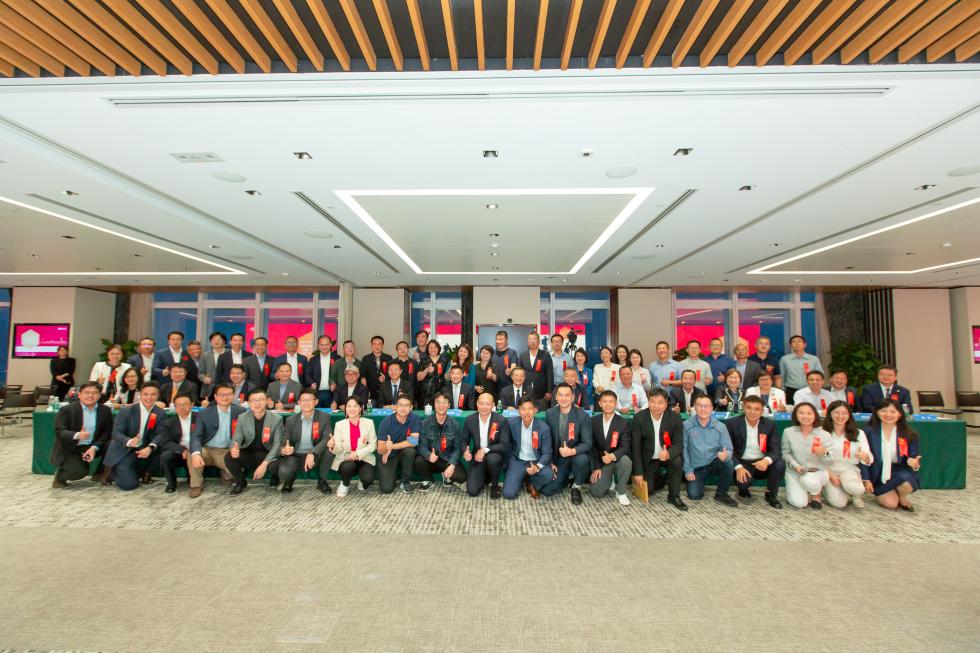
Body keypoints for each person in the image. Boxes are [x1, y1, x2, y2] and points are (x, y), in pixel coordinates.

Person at [101, 382, 168, 491]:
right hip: (125, 449)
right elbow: (116, 433)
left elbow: (161, 434)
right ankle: (111, 471)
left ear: (158, 396)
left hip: (145, 448)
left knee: (164, 446)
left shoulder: (160, 413)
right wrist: (129, 441)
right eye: (146, 394)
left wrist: (150, 447)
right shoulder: (126, 411)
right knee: (129, 485)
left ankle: (146, 473)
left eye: (153, 394)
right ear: (140, 395)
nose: (149, 397)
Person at [188, 382, 248, 498]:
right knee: (193, 454)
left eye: (228, 394)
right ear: (215, 397)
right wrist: (195, 453)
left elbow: (245, 434)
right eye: (221, 394)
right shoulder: (204, 413)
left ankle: (225, 473)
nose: (225, 397)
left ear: (233, 396)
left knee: (233, 475)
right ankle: (195, 486)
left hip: (227, 451)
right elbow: (196, 436)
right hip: (207, 449)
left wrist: (237, 448)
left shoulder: (241, 412)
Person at [631, 388, 687, 511]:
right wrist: (638, 472)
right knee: (648, 490)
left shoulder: (675, 418)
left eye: (660, 402)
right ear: (648, 402)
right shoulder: (639, 418)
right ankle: (663, 478)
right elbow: (635, 446)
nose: (656, 406)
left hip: (667, 455)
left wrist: (668, 453)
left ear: (666, 404)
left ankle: (674, 495)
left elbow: (679, 443)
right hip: (649, 458)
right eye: (653, 401)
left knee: (677, 461)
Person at [860, 398, 921, 511]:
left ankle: (902, 496)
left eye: (893, 411)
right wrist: (866, 479)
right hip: (878, 473)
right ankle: (890, 490)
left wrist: (914, 464)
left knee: (906, 483)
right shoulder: (868, 432)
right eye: (883, 411)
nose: (888, 414)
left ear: (900, 414)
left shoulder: (909, 434)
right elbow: (863, 458)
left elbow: (914, 457)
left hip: (900, 471)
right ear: (877, 412)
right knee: (891, 504)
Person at [725, 395, 784, 508]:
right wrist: (738, 467)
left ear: (762, 411)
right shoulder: (732, 423)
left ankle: (770, 494)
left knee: (779, 464)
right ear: (743, 408)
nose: (752, 412)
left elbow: (776, 449)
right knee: (743, 483)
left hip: (762, 462)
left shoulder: (769, 425)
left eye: (757, 409)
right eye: (749, 408)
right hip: (743, 463)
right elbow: (728, 448)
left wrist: (766, 460)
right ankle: (743, 490)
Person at [51, 382, 112, 488]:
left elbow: (106, 432)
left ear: (99, 395)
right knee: (80, 471)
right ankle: (60, 477)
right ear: (79, 394)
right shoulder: (67, 410)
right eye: (87, 392)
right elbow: (60, 431)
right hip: (72, 448)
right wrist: (77, 435)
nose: (90, 395)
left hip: (92, 445)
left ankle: (99, 473)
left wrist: (94, 447)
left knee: (113, 444)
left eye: (95, 393)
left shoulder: (105, 411)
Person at [225, 389, 286, 495]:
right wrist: (234, 448)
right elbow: (236, 439)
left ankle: (275, 477)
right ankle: (241, 482)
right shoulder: (242, 418)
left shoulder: (277, 419)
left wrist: (264, 464)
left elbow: (277, 444)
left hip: (268, 454)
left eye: (261, 400)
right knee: (229, 457)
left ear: (266, 401)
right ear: (248, 403)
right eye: (254, 400)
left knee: (277, 465)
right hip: (250, 454)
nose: (257, 403)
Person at [540, 383, 593, 504]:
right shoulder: (550, 413)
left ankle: (576, 486)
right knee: (547, 491)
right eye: (560, 395)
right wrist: (549, 461)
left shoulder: (582, 415)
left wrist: (571, 451)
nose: (563, 398)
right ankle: (566, 477)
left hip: (576, 455)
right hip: (558, 458)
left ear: (573, 397)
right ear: (556, 397)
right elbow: (546, 441)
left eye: (567, 395)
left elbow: (587, 443)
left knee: (582, 459)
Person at [682, 395, 737, 507]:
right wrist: (688, 470)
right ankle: (698, 482)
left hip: (713, 463)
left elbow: (729, 449)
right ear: (694, 407)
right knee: (694, 495)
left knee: (728, 462)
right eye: (700, 405)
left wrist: (725, 455)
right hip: (695, 466)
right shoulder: (686, 425)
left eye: (706, 406)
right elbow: (683, 450)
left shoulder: (720, 427)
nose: (703, 409)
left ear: (712, 408)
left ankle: (721, 494)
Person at [276, 389, 333, 494]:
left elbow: (327, 438)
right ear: (298, 402)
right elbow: (283, 443)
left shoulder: (324, 417)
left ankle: (322, 481)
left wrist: (312, 452)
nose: (306, 403)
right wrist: (284, 450)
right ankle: (289, 480)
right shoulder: (290, 420)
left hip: (315, 455)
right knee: (284, 472)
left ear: (316, 402)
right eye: (303, 400)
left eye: (309, 400)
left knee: (328, 451)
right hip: (296, 455)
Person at [780, 402, 832, 509]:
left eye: (809, 413)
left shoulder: (824, 434)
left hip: (817, 472)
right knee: (799, 503)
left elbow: (832, 458)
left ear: (815, 415)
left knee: (809, 481)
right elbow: (785, 453)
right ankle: (804, 489)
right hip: (795, 472)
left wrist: (825, 452)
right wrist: (795, 466)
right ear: (795, 415)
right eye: (801, 413)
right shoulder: (788, 432)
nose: (805, 416)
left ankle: (816, 495)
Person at [502, 396, 555, 500]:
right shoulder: (511, 424)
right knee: (508, 494)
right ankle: (522, 477)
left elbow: (547, 452)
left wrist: (537, 466)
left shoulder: (543, 428)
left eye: (530, 408)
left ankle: (531, 483)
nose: (527, 412)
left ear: (535, 410)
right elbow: (507, 445)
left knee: (548, 474)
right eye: (523, 409)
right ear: (518, 411)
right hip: (518, 460)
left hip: (536, 460)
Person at [822, 401, 872, 509]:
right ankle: (827, 489)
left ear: (849, 415)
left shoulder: (858, 433)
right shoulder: (822, 432)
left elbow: (868, 458)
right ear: (830, 413)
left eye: (844, 413)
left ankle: (855, 495)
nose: (840, 416)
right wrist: (831, 475)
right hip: (828, 470)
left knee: (857, 489)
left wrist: (865, 457)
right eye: (836, 413)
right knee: (839, 503)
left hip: (848, 469)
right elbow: (816, 458)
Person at [463, 392, 511, 499]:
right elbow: (464, 440)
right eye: (481, 403)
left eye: (488, 404)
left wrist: (484, 450)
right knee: (472, 491)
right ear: (477, 404)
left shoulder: (501, 420)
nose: (484, 407)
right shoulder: (470, 419)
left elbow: (504, 445)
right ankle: (486, 476)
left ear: (493, 405)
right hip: (478, 458)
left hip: (494, 455)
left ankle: (495, 485)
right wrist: (465, 451)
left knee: (493, 459)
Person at [415, 393, 467, 490]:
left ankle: (446, 476)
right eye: (438, 402)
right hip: (432, 459)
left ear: (449, 405)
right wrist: (428, 455)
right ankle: (429, 480)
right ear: (434, 405)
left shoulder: (455, 424)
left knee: (461, 477)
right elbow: (421, 446)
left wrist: (452, 465)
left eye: (444, 402)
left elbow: (457, 448)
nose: (441, 405)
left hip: (447, 459)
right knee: (419, 461)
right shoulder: (424, 423)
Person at [588, 389, 631, 505]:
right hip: (601, 462)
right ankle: (610, 479)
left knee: (626, 461)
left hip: (617, 459)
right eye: (605, 401)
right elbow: (592, 446)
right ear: (599, 403)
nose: (608, 404)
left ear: (616, 404)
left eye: (611, 401)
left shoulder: (623, 422)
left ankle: (621, 492)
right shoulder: (593, 421)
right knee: (596, 492)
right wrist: (596, 467)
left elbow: (625, 446)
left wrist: (612, 456)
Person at [327, 396, 377, 497]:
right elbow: (339, 449)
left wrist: (357, 454)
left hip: (364, 458)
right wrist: (333, 446)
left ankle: (362, 480)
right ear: (345, 409)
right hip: (346, 458)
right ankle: (345, 484)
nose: (352, 409)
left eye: (355, 406)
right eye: (349, 406)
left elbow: (373, 445)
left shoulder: (369, 423)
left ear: (360, 408)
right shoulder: (339, 425)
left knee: (368, 479)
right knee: (346, 467)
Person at [376, 393, 422, 494]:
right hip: (388, 456)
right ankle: (393, 474)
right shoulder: (386, 422)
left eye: (406, 405)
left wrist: (392, 447)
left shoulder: (414, 418)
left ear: (411, 407)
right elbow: (380, 450)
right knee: (386, 489)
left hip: (402, 453)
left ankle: (405, 481)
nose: (403, 408)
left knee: (410, 451)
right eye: (400, 405)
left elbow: (413, 442)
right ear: (395, 407)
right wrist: (386, 448)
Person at [159, 394, 196, 493]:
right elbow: (164, 442)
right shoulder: (168, 422)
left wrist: (193, 449)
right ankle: (171, 483)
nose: (182, 407)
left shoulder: (200, 418)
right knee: (166, 456)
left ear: (192, 404)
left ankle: (192, 477)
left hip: (196, 451)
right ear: (174, 407)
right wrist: (182, 450)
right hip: (179, 452)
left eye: (185, 404)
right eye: (178, 405)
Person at [778, 334, 823, 403]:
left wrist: (819, 389)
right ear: (791, 345)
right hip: (791, 391)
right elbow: (782, 376)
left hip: (810, 389)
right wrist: (783, 391)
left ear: (804, 345)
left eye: (799, 341)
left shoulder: (814, 359)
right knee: (792, 409)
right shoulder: (784, 359)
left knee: (811, 408)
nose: (797, 344)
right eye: (794, 342)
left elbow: (820, 375)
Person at [519, 332, 554, 407]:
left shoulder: (545, 355)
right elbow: (519, 373)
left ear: (538, 341)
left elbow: (550, 374)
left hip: (541, 391)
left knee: (541, 411)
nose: (532, 341)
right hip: (526, 389)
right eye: (530, 339)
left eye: (534, 339)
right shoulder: (522, 355)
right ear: (527, 342)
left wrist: (549, 391)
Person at [360, 335, 393, 404]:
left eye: (379, 344)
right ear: (371, 345)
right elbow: (362, 374)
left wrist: (385, 378)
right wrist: (363, 380)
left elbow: (393, 373)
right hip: (371, 394)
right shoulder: (366, 358)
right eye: (374, 344)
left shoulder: (388, 358)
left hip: (385, 393)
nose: (377, 346)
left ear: (383, 345)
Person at [416, 339, 449, 408]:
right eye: (430, 348)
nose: (433, 349)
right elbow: (419, 378)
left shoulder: (445, 359)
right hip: (426, 394)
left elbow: (447, 376)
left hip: (441, 392)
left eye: (435, 347)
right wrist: (427, 369)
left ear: (438, 348)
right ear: (427, 349)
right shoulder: (423, 360)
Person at [197, 331, 227, 402]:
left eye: (219, 339)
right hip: (209, 388)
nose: (216, 342)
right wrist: (204, 378)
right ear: (210, 342)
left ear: (224, 342)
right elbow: (200, 373)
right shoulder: (205, 355)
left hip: (226, 388)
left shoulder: (229, 354)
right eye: (213, 340)